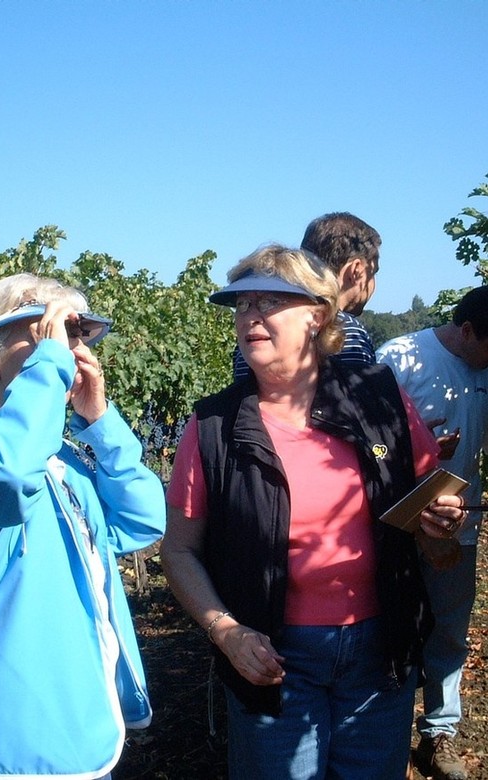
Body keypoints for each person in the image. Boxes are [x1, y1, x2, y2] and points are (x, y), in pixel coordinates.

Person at [161, 244, 466, 780]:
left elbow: (431, 527)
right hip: (272, 659)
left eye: (269, 301)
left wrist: (440, 527)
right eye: (241, 304)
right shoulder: (212, 427)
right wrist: (226, 631)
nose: (249, 315)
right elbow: (180, 550)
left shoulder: (379, 398)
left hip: (381, 650)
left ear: (317, 316)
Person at [0, 273, 166, 779]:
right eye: (41, 330)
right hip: (8, 742)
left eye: (73, 334)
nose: (64, 346)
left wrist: (98, 419)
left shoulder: (62, 457)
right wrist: (50, 366)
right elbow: (4, 478)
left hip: (84, 723)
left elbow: (142, 519)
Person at [377, 286, 488, 780]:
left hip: (456, 526)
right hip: (394, 527)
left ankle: (439, 730)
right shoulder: (398, 358)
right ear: (466, 331)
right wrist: (415, 448)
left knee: (448, 629)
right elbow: (368, 445)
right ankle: (382, 731)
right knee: (389, 626)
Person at [233, 212, 381, 381]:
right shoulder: (348, 332)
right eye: (374, 272)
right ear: (357, 270)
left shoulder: (253, 338)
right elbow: (359, 402)